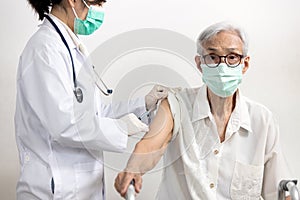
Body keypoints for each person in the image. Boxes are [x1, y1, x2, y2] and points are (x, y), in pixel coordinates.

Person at [114, 22, 293, 199]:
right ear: (200, 63)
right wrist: (133, 169)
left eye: (232, 57)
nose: (222, 66)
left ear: (244, 64)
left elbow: (278, 188)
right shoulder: (176, 103)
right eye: (213, 57)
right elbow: (153, 143)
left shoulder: (262, 120)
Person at [15, 0, 169, 199]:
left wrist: (143, 105)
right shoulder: (44, 49)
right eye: (96, 3)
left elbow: (93, 113)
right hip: (55, 188)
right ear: (73, 1)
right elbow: (64, 125)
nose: (99, 11)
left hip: (80, 186)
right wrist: (122, 128)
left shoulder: (70, 47)